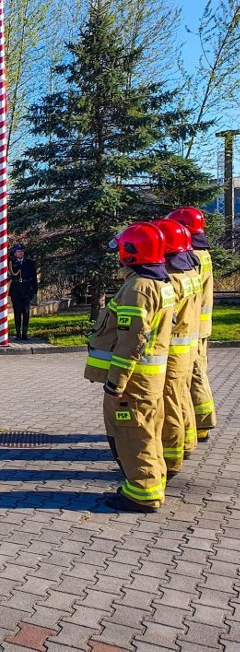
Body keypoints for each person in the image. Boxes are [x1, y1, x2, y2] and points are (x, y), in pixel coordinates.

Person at [85, 222, 175, 513]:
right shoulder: (159, 283)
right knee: (146, 431)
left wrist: (115, 384)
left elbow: (130, 342)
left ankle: (142, 493)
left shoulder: (137, 289)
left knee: (132, 434)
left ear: (131, 252)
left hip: (133, 383)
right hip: (149, 380)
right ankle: (151, 481)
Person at [151, 219, 201, 476]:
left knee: (169, 404)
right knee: (181, 397)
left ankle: (170, 460)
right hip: (187, 348)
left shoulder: (171, 280)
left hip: (171, 352)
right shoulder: (189, 273)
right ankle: (187, 442)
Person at [167, 207, 216, 442]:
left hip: (190, 329)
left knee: (194, 375)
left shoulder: (191, 256)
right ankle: (199, 422)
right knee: (197, 372)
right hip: (199, 325)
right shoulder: (201, 252)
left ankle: (201, 424)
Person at [8, 244, 38, 340]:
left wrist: (34, 291)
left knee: (25, 311)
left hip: (26, 289)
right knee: (17, 311)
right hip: (16, 289)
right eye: (18, 251)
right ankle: (18, 333)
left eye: (21, 251)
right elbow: (10, 275)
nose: (20, 253)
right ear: (15, 253)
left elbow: (34, 277)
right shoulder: (11, 263)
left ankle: (24, 332)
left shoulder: (29, 262)